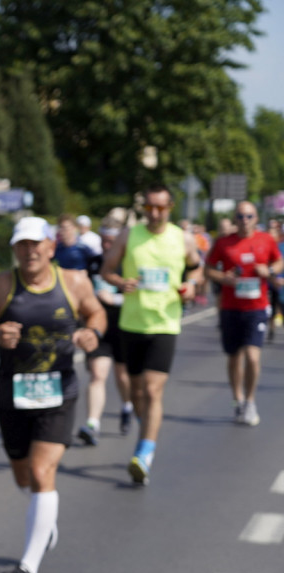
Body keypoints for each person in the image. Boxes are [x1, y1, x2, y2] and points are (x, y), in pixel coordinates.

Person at [0, 216, 105, 573]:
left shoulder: (73, 282)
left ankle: (26, 572)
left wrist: (94, 333)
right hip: (13, 393)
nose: (29, 251)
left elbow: (96, 313)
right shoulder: (3, 285)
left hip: (60, 391)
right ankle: (45, 521)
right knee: (24, 478)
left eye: (36, 244)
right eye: (22, 245)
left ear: (51, 246)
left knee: (43, 472)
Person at [100, 183, 204, 485]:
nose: (155, 213)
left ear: (170, 207)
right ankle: (147, 430)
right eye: (149, 207)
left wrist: (192, 286)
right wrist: (120, 282)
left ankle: (145, 451)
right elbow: (107, 271)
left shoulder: (182, 239)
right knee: (136, 392)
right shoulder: (128, 235)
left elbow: (196, 269)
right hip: (132, 323)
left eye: (160, 207)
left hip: (165, 324)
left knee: (153, 389)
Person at [203, 201, 283, 425]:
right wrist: (224, 278)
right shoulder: (224, 242)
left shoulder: (265, 240)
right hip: (231, 307)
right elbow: (208, 269)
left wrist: (268, 270)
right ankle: (237, 399)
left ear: (256, 218)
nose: (244, 220)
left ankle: (250, 401)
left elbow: (279, 261)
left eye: (249, 216)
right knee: (234, 357)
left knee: (253, 356)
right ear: (235, 218)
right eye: (240, 216)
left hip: (257, 307)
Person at [78, 220, 134, 445]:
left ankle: (127, 405)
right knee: (97, 374)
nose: (106, 244)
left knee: (123, 375)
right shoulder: (93, 262)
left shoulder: (128, 264)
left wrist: (117, 298)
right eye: (103, 240)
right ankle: (93, 423)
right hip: (97, 326)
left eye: (111, 240)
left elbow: (141, 294)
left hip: (124, 325)